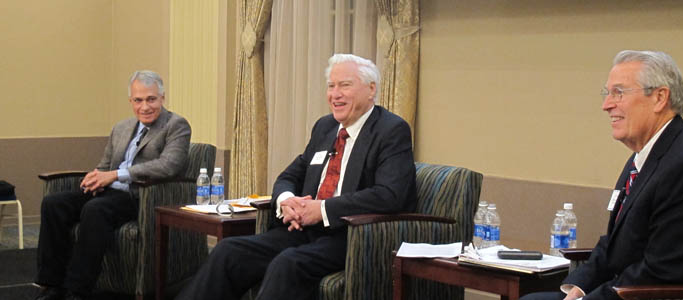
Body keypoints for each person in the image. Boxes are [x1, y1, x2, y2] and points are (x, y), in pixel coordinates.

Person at [176, 54, 417, 300]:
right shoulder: (325, 127)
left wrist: (322, 209)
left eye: (345, 85)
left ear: (371, 89)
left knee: (287, 264)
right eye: (331, 86)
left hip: (351, 236)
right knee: (229, 251)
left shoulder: (390, 130)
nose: (335, 94)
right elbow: (290, 174)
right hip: (302, 228)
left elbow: (389, 195)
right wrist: (286, 201)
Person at [522, 50, 683, 300]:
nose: (606, 105)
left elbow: (660, 270)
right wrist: (579, 286)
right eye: (607, 94)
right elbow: (616, 243)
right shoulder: (643, 156)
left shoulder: (679, 163)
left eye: (619, 93)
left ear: (660, 98)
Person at [34, 70, 191, 300]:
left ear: (162, 98)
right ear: (130, 101)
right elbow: (105, 165)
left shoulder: (176, 125)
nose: (145, 107)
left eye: (151, 99)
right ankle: (52, 285)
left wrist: (116, 175)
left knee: (94, 209)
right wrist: (96, 178)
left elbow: (168, 166)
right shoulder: (121, 127)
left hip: (141, 196)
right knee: (53, 204)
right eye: (138, 100)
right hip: (110, 191)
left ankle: (77, 290)